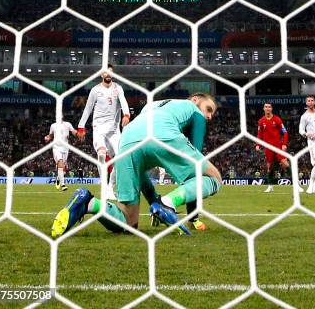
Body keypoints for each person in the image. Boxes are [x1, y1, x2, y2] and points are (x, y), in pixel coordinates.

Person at [51, 94, 222, 238]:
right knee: (215, 177)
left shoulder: (152, 106)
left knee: (128, 224)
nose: (209, 116)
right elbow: (197, 164)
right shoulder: (191, 108)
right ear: (195, 99)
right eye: (208, 109)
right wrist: (190, 216)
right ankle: (169, 202)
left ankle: (88, 203)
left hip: (127, 140)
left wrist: (155, 202)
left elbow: (141, 176)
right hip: (162, 133)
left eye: (212, 114)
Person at [77, 64, 130, 200]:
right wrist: (81, 127)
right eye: (106, 73)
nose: (108, 75)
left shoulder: (118, 88)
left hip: (113, 130)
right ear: (101, 75)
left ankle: (110, 188)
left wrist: (126, 115)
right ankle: (103, 185)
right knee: (101, 153)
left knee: (120, 158)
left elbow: (123, 102)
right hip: (99, 128)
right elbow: (88, 109)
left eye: (110, 73)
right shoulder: (95, 90)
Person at [255, 102, 290, 193]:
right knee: (270, 167)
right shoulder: (261, 121)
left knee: (285, 163)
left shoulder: (277, 119)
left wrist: (284, 144)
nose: (267, 108)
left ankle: (297, 184)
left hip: (278, 146)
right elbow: (259, 134)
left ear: (271, 109)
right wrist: (258, 145)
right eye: (266, 107)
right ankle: (270, 186)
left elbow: (285, 132)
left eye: (269, 107)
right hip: (268, 148)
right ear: (263, 108)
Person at [44, 120, 77, 191]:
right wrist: (47, 138)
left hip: (65, 149)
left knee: (63, 169)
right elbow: (51, 135)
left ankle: (58, 179)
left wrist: (77, 133)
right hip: (56, 148)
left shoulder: (68, 124)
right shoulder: (53, 125)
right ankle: (63, 185)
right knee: (60, 164)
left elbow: (73, 131)